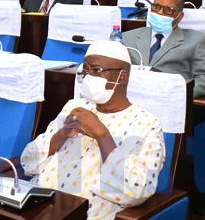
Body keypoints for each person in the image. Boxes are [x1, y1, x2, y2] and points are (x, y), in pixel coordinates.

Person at [21, 41, 165, 220]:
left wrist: (101, 133)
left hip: (86, 214)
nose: (89, 76)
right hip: (37, 205)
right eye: (86, 71)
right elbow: (28, 161)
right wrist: (62, 134)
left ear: (122, 77)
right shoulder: (74, 107)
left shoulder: (147, 123)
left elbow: (137, 191)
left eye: (96, 70)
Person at [122, 0, 205, 97]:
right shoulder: (127, 37)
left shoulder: (197, 40)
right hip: (131, 97)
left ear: (180, 16)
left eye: (169, 9)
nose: (160, 12)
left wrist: (174, 93)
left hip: (170, 100)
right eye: (156, 6)